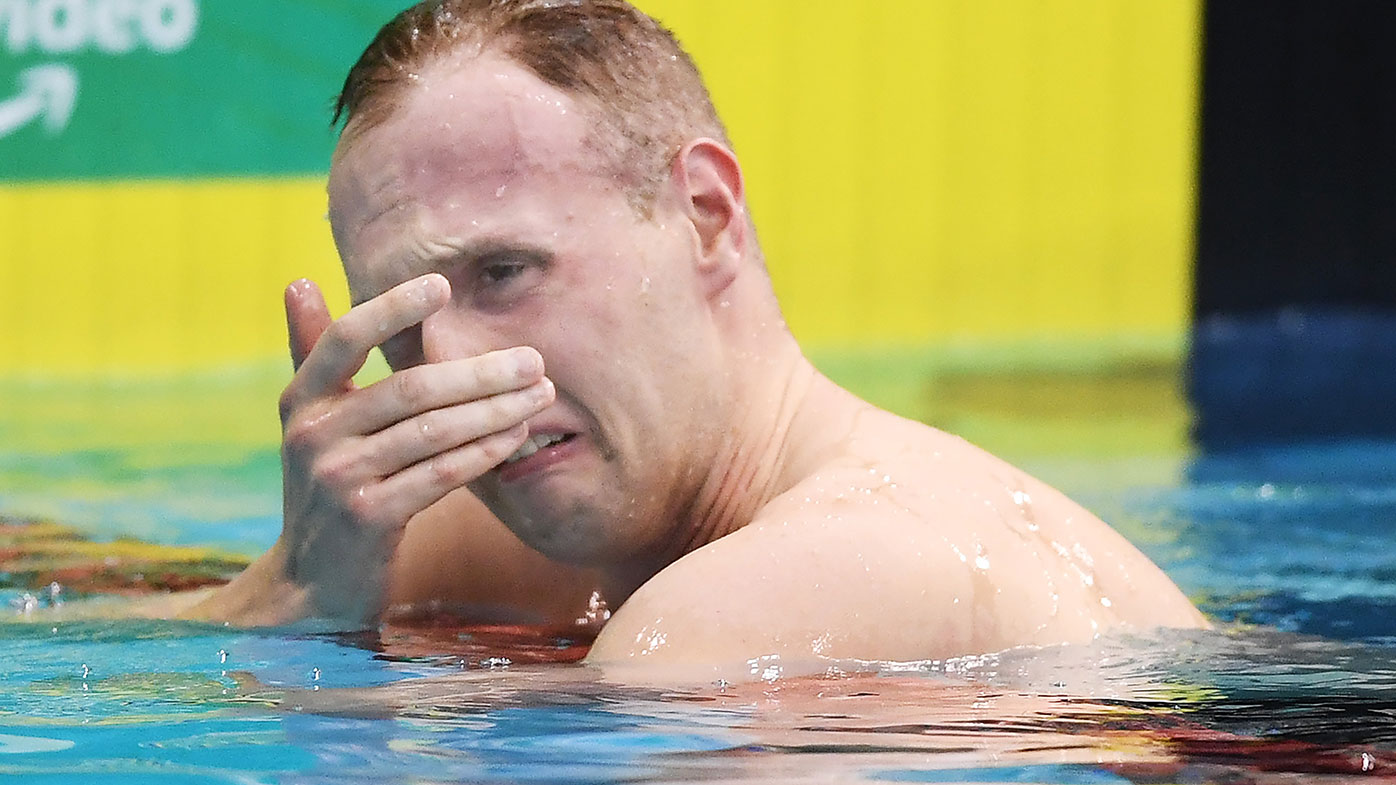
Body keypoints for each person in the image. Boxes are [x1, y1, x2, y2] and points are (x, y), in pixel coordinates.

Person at [182, 0, 1206, 680]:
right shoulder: (506, 529)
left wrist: (321, 665)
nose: (447, 373)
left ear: (707, 212)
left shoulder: (813, 578)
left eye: (503, 273)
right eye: (401, 318)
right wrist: (300, 581)